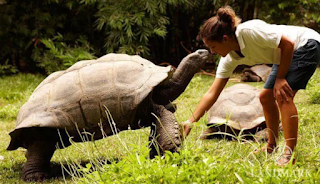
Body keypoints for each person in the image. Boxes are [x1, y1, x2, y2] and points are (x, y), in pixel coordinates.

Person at [183, 6, 320, 166]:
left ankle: (289, 153)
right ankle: (271, 145)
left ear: (225, 39)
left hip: (305, 44)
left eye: (213, 47)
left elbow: (287, 43)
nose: (212, 52)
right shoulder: (229, 58)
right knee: (265, 97)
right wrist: (191, 121)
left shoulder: (248, 31)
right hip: (281, 55)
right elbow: (212, 93)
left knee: (283, 95)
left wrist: (280, 78)